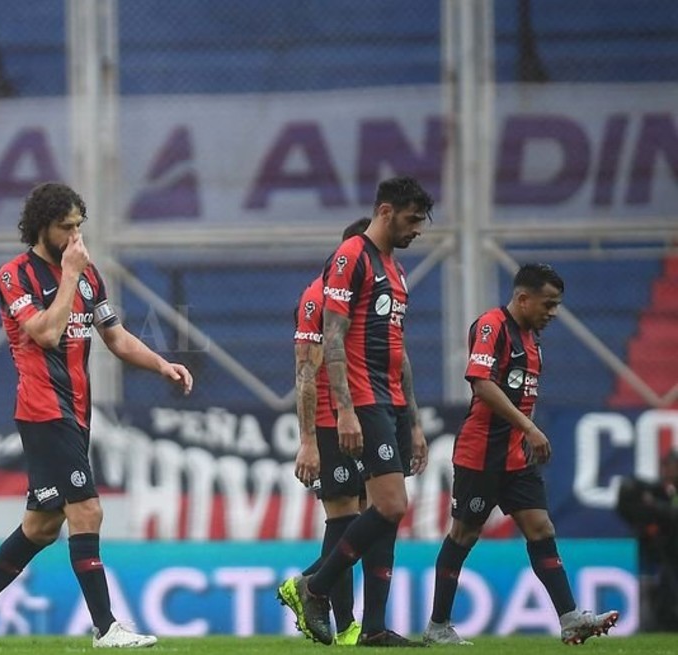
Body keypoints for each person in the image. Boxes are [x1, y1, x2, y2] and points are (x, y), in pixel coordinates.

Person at [0, 182, 193, 649]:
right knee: (87, 509)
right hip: (43, 410)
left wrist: (162, 364)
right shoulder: (15, 275)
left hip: (76, 411)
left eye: (79, 226)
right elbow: (46, 333)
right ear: (42, 227)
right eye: (66, 227)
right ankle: (106, 628)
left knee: (41, 527)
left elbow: (115, 336)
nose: (76, 236)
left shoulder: (89, 275)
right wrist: (71, 275)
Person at [423, 263, 619, 645]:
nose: (553, 313)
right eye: (548, 304)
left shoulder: (532, 341)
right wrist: (529, 427)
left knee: (541, 528)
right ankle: (438, 626)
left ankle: (570, 618)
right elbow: (481, 384)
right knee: (463, 534)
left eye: (556, 305)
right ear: (523, 298)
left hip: (515, 456)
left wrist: (524, 434)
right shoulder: (492, 326)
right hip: (481, 454)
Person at [283, 176, 432, 647]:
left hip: (391, 401)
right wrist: (342, 412)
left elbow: (399, 352)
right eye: (412, 219)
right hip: (363, 400)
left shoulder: (396, 271)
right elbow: (330, 342)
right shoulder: (351, 256)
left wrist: (414, 421)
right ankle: (315, 588)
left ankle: (373, 627)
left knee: (385, 513)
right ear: (386, 211)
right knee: (385, 506)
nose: (417, 230)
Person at [278, 217, 371, 647]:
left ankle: (310, 586)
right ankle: (345, 622)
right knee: (345, 517)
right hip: (332, 423)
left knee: (369, 518)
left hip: (364, 417)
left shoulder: (370, 297)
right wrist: (309, 441)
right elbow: (305, 372)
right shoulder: (318, 297)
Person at [617, 450, 678, 632]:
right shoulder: (658, 490)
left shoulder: (658, 497)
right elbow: (628, 506)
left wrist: (653, 505)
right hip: (660, 552)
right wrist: (645, 527)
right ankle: (655, 626)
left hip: (671, 551)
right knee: (654, 589)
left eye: (673, 467)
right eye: (666, 467)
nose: (669, 471)